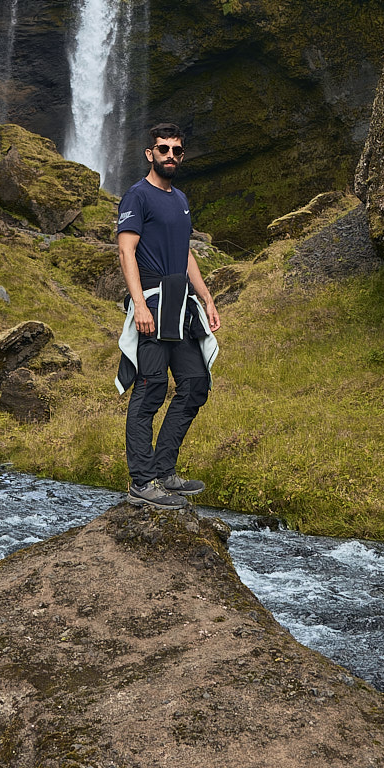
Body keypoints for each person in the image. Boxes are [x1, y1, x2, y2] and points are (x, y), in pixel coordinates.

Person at [115, 122, 223, 509]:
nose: (171, 156)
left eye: (177, 150)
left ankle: (164, 472)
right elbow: (127, 252)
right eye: (164, 149)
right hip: (153, 301)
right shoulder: (137, 196)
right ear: (150, 153)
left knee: (195, 384)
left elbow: (186, 252)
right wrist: (140, 304)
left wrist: (207, 298)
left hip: (182, 305)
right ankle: (142, 482)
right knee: (151, 389)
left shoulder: (180, 198)